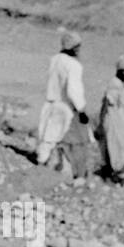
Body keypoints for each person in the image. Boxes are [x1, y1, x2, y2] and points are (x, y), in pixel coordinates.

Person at [36, 31, 91, 177]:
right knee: (63, 139)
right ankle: (53, 171)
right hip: (64, 107)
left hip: (50, 103)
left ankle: (43, 165)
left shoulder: (54, 59)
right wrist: (82, 110)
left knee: (46, 137)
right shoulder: (73, 65)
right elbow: (74, 91)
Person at [95, 55, 124, 179]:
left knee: (123, 149)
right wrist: (101, 123)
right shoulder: (114, 84)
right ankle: (116, 175)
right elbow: (108, 103)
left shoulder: (121, 85)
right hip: (115, 123)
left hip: (122, 124)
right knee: (115, 149)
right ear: (118, 70)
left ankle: (119, 175)